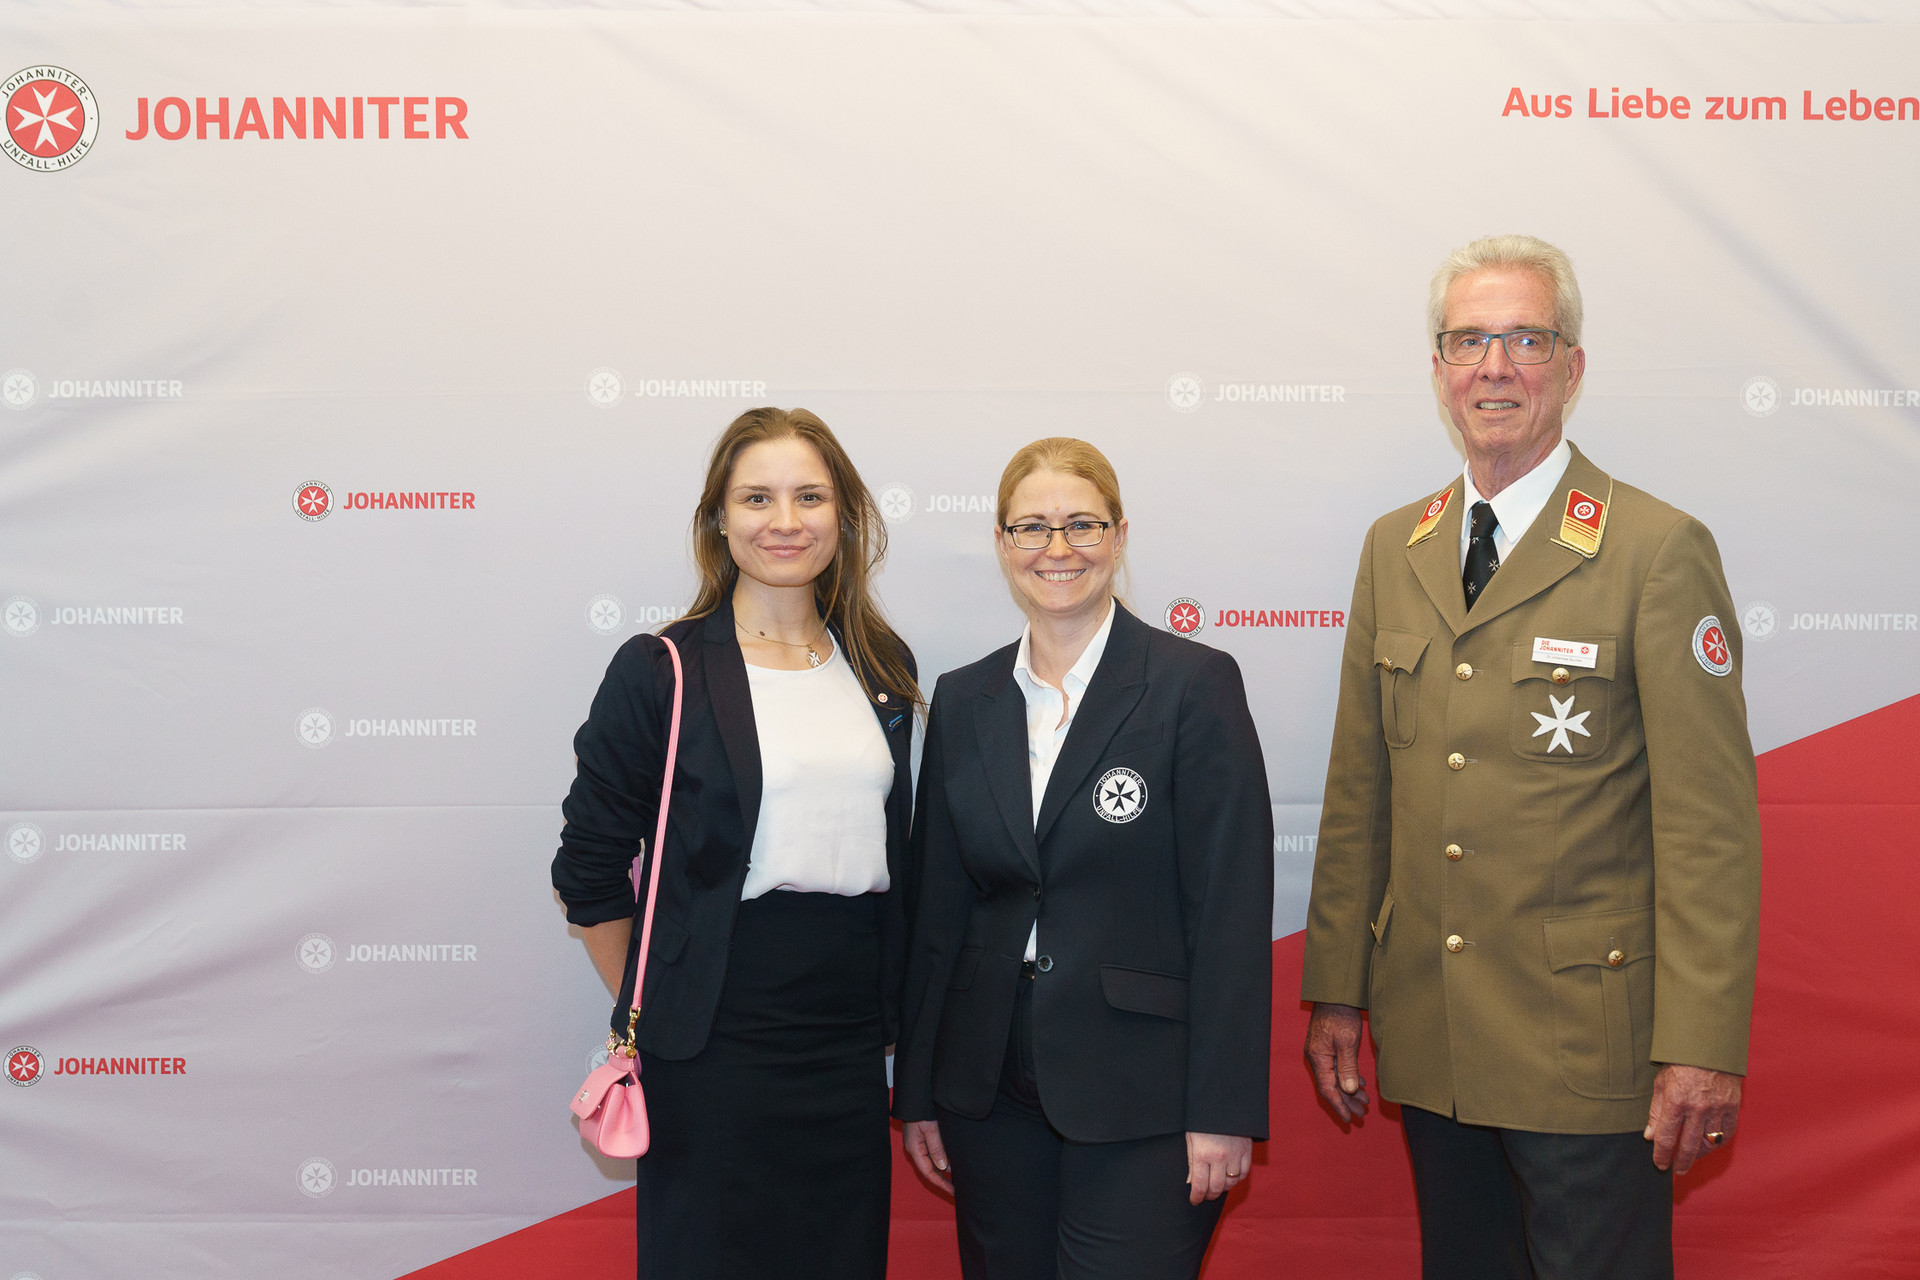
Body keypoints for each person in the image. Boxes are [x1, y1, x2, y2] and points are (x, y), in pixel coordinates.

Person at [1301, 235, 1762, 1280]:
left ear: (1572, 364)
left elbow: (1708, 829)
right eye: (1469, 340)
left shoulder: (1654, 548)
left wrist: (1700, 1042)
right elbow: (1360, 787)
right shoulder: (1397, 545)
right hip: (1435, 1035)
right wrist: (1338, 986)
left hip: (1586, 1049)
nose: (1494, 366)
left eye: (1525, 338)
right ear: (1437, 368)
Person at [551, 407, 919, 1280]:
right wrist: (667, 997)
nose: (784, 521)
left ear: (845, 515)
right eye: (757, 497)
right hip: (712, 1043)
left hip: (847, 1042)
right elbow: (588, 872)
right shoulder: (661, 669)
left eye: (809, 497)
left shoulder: (882, 667)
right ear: (719, 518)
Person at [893, 437, 1274, 1280]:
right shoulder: (965, 697)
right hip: (987, 1087)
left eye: (1081, 524)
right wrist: (917, 1091)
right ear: (1000, 544)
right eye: (1031, 528)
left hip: (1144, 1089)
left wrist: (1224, 1109)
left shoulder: (1192, 684)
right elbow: (938, 910)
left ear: (1121, 534)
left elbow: (1231, 913)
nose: (1056, 549)